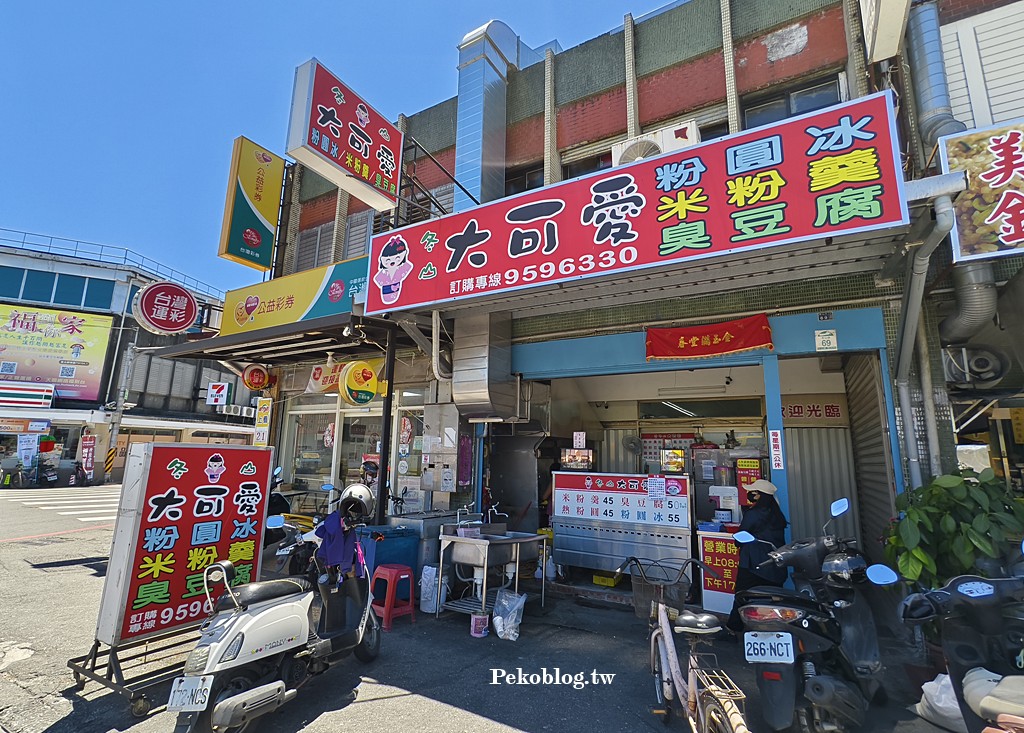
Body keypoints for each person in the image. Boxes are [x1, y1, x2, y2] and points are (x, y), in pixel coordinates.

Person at [725, 478, 789, 634]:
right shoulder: (777, 514)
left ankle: (733, 629)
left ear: (760, 495)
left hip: (753, 565)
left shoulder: (753, 514)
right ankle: (774, 629)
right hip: (775, 565)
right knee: (773, 599)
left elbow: (739, 538)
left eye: (753, 492)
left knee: (741, 596)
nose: (749, 494)